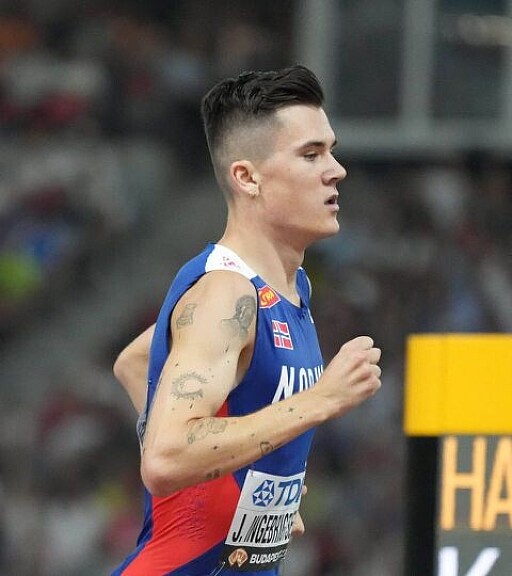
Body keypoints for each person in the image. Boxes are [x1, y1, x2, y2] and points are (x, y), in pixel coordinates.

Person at [110, 65, 381, 575]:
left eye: (331, 150)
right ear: (247, 177)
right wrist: (320, 400)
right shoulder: (226, 294)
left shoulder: (290, 287)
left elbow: (137, 361)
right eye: (311, 154)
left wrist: (243, 485)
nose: (336, 170)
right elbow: (165, 460)